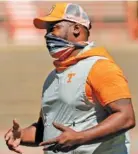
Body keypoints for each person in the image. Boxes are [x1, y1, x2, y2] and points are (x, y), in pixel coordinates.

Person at [4, 2, 135, 154]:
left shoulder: (100, 67)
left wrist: (80, 138)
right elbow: (46, 131)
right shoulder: (52, 77)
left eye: (54, 28)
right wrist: (20, 135)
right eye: (47, 31)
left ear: (76, 29)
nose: (48, 35)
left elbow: (126, 117)